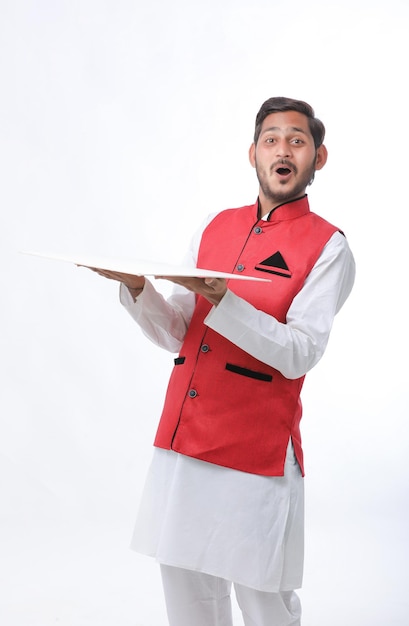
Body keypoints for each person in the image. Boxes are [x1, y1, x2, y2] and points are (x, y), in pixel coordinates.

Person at [90, 97, 355, 626]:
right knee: (187, 592)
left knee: (263, 599)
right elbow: (178, 333)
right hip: (185, 438)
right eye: (272, 139)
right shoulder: (215, 225)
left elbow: (300, 353)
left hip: (256, 450)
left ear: (317, 158)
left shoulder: (329, 248)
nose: (283, 150)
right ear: (253, 152)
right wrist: (138, 289)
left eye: (297, 141)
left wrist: (224, 301)